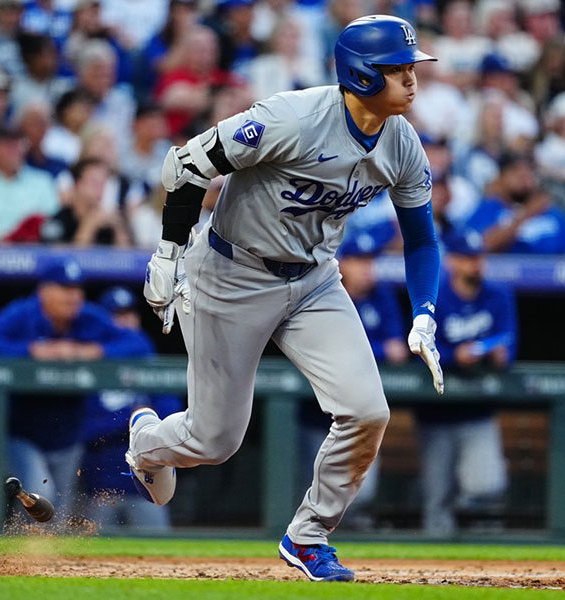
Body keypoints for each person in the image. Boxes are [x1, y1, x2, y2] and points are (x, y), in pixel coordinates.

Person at [127, 15, 443, 582]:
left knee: (368, 411)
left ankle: (309, 535)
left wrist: (424, 311)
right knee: (213, 439)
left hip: (314, 279)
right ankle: (147, 446)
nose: (412, 80)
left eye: (411, 68)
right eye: (398, 70)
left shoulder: (401, 141)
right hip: (232, 273)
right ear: (362, 76)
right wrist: (168, 254)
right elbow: (187, 164)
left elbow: (421, 240)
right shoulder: (292, 117)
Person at [0, 258, 153, 521]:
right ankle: (23, 558)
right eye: (64, 288)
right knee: (43, 497)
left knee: (58, 515)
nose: (73, 296)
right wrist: (31, 351)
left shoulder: (87, 318)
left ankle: (40, 560)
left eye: (77, 289)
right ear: (44, 291)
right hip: (23, 433)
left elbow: (140, 344)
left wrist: (93, 351)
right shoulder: (24, 314)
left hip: (68, 435)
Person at [417, 230, 515, 537]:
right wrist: (451, 355)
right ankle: (431, 573)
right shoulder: (434, 297)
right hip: (437, 411)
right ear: (452, 262)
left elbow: (510, 342)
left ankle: (476, 560)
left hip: (478, 409)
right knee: (437, 498)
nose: (475, 265)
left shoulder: (499, 295)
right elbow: (419, 346)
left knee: (487, 485)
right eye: (468, 259)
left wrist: (502, 355)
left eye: (479, 258)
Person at [80, 286, 180, 532]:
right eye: (116, 314)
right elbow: (84, 430)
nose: (125, 320)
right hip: (100, 489)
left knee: (159, 559)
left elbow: (173, 420)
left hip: (148, 487)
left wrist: (114, 423)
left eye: (129, 313)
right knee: (91, 561)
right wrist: (135, 417)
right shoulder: (90, 367)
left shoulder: (150, 363)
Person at [464, 151, 565, 255]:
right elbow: (482, 246)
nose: (524, 176)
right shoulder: (489, 209)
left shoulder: (552, 213)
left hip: (547, 279)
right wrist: (526, 214)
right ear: (501, 177)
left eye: (529, 170)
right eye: (515, 170)